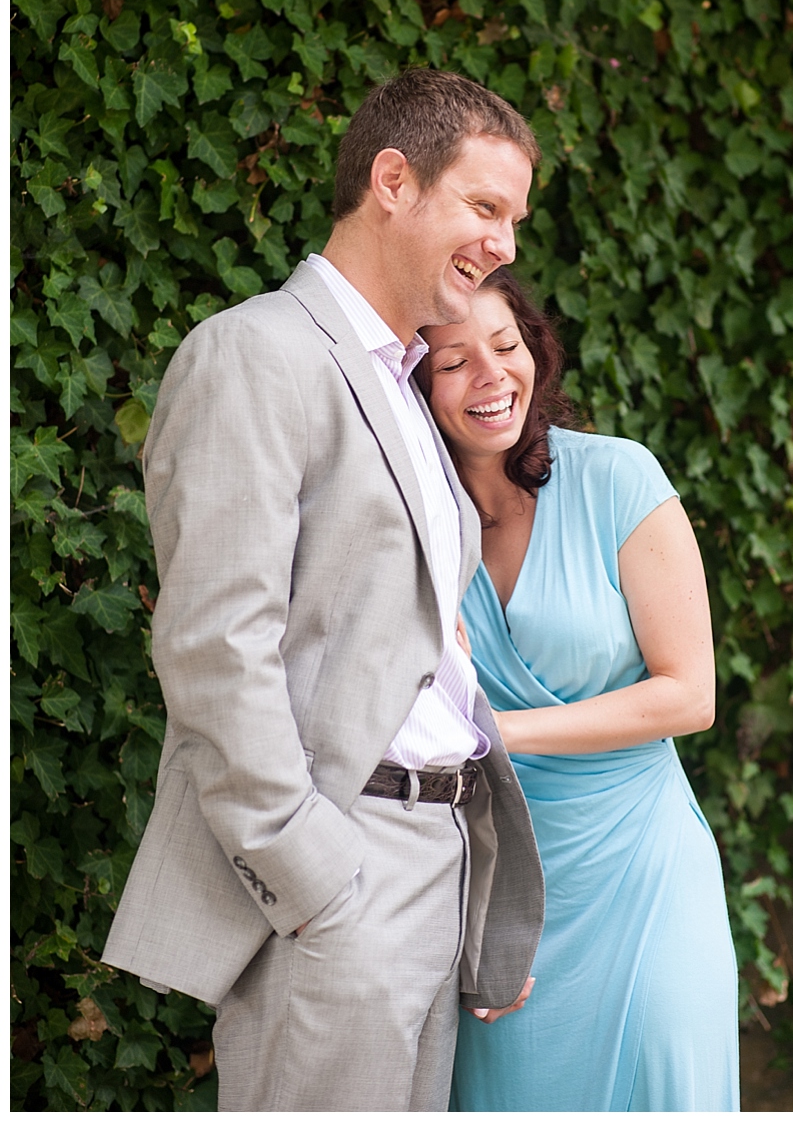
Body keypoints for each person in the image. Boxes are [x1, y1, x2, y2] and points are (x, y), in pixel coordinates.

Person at [102, 71, 545, 1112]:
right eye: (484, 207)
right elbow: (215, 647)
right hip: (341, 872)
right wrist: (312, 877)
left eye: (515, 220)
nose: (505, 246)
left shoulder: (400, 384)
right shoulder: (255, 354)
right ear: (393, 180)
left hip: (434, 865)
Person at [417, 267, 740, 1112]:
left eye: (505, 344)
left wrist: (499, 731)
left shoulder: (618, 478)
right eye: (453, 362)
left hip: (645, 871)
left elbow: (689, 695)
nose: (491, 376)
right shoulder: (413, 526)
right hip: (499, 885)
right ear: (413, 386)